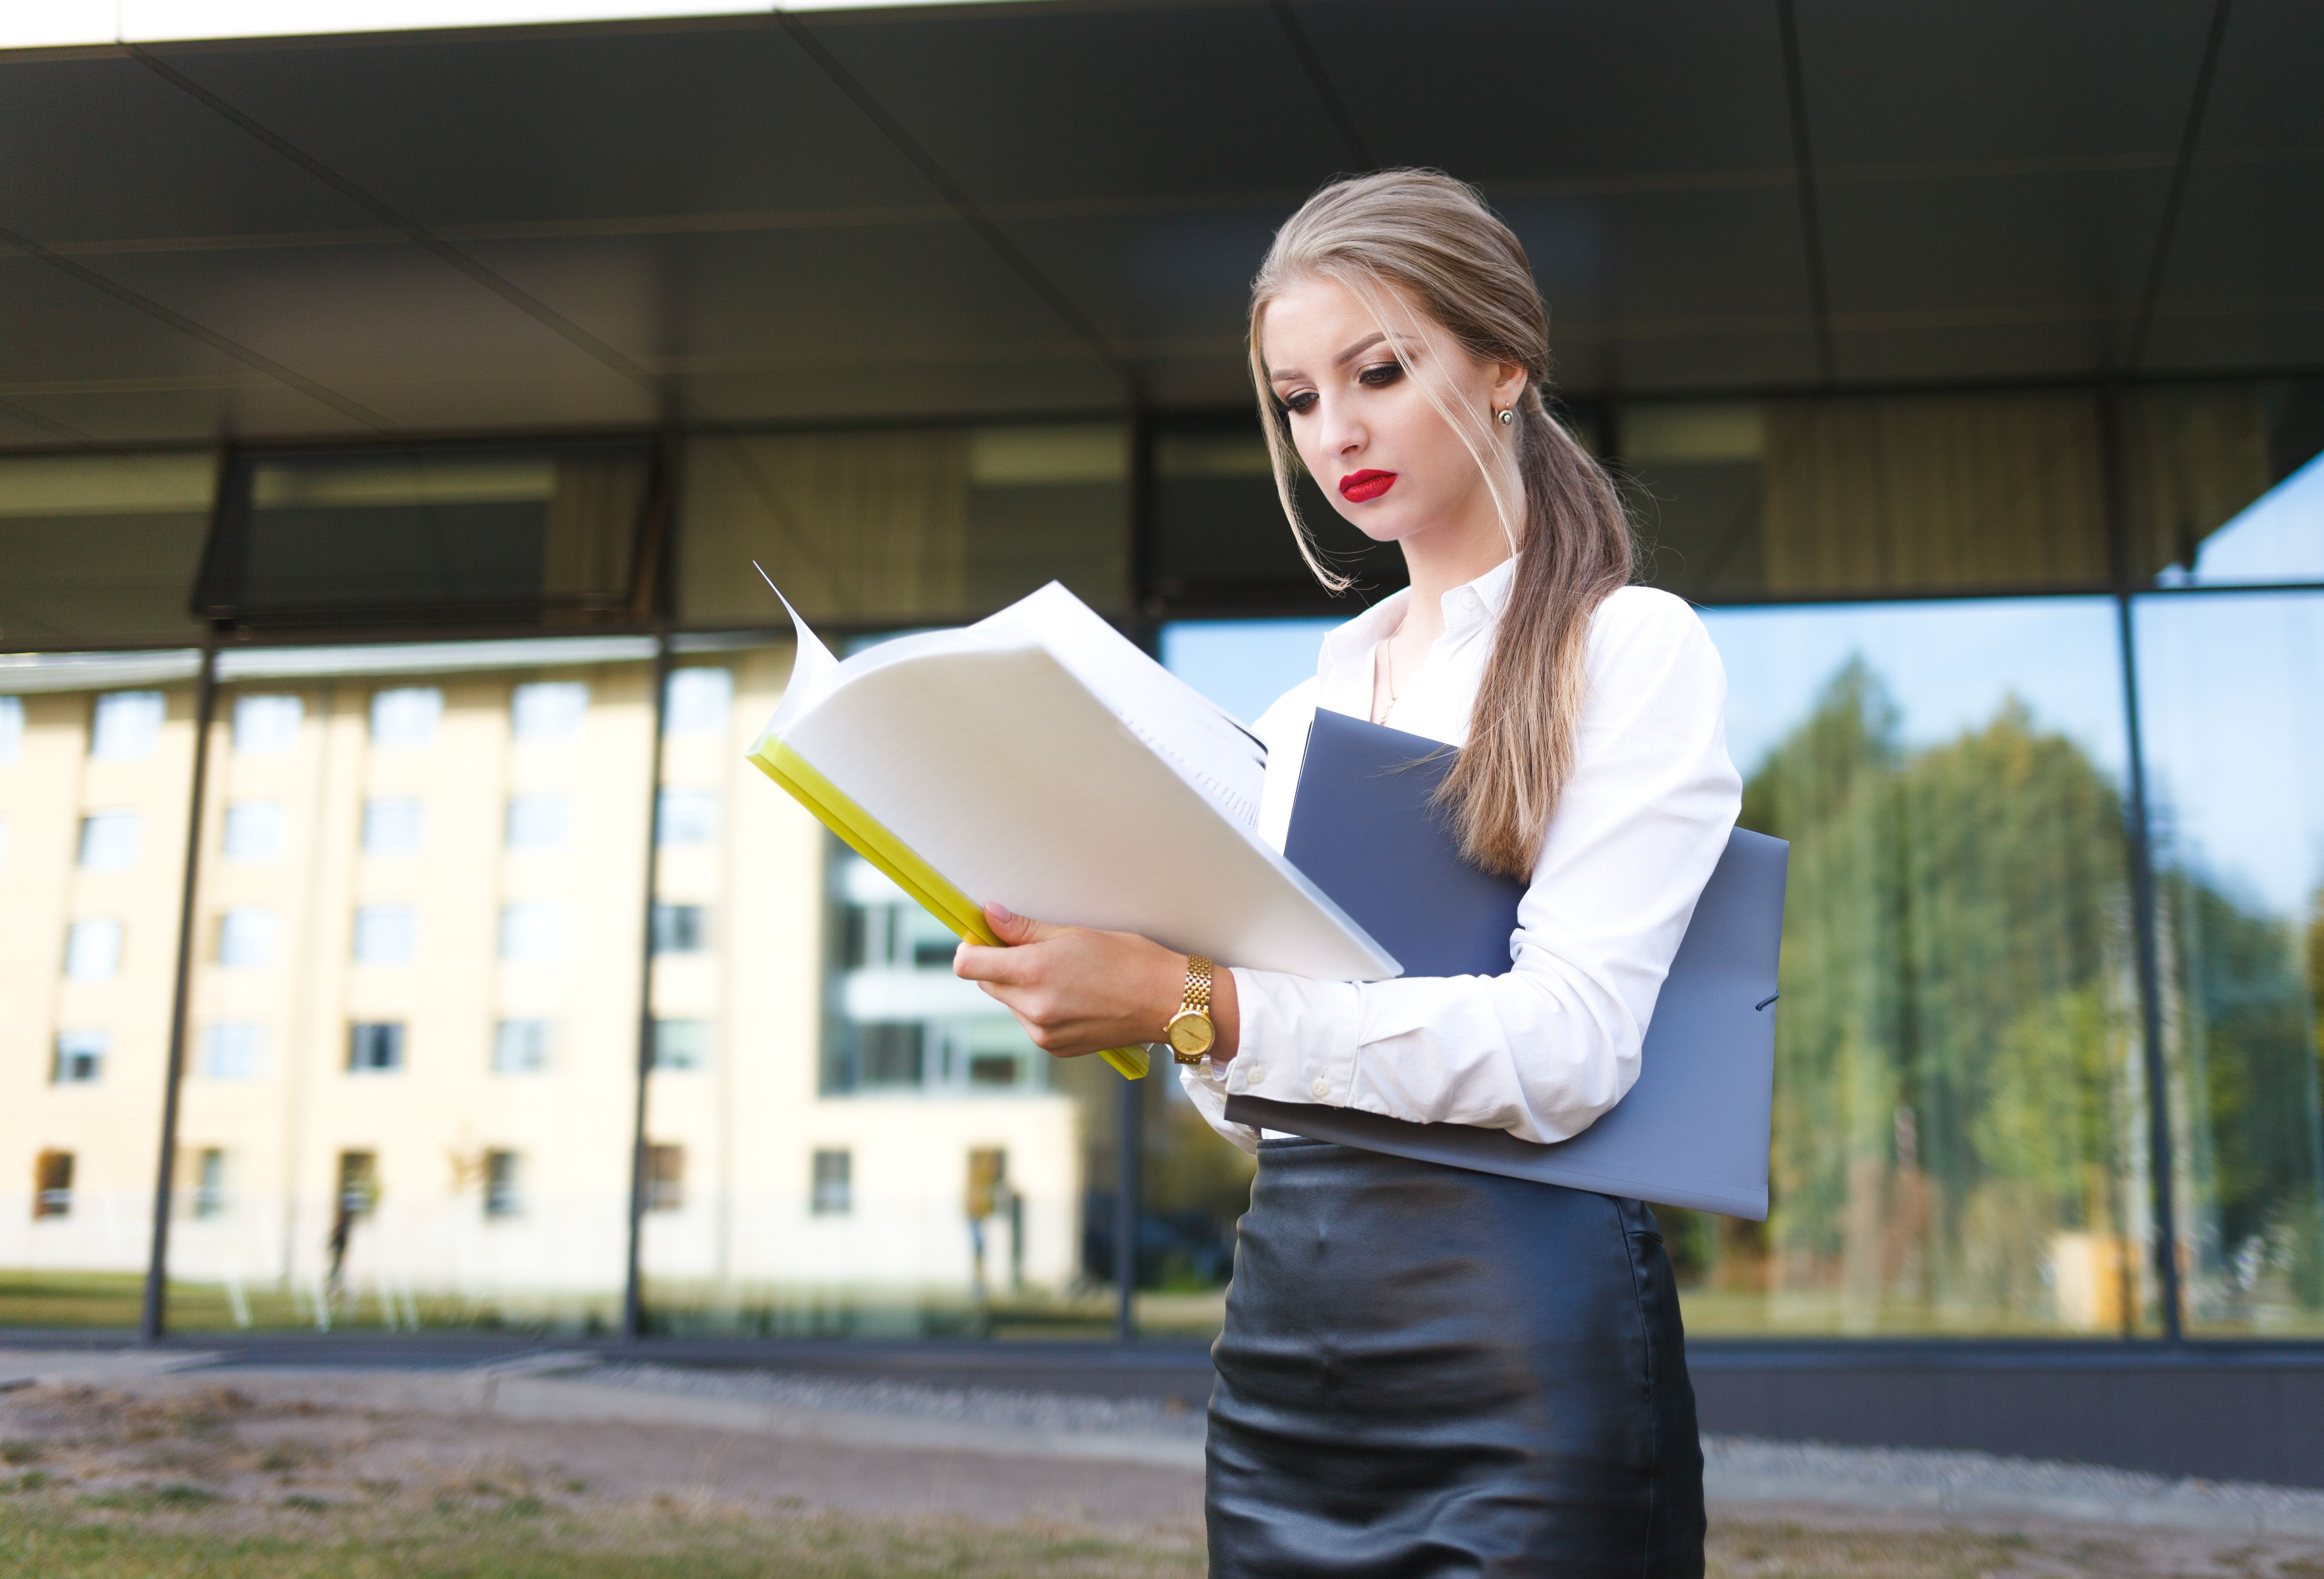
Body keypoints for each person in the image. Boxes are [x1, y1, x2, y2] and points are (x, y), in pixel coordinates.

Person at [954, 169, 1740, 1578]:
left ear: (1503, 365)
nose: (1336, 432)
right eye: (1298, 398)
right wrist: (1157, 1003)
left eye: (1378, 372)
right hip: (1286, 1347)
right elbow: (1255, 1107)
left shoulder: (1628, 647)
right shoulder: (1301, 716)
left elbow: (1569, 1050)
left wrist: (1200, 999)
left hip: (1521, 1341)